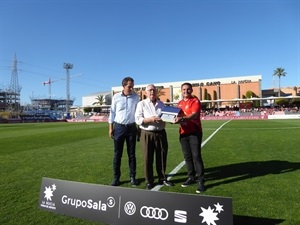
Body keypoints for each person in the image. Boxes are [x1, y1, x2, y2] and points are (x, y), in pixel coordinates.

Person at [135, 84, 174, 190]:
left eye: (154, 90)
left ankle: (162, 178)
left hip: (161, 133)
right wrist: (151, 119)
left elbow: (166, 116)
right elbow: (138, 119)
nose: (152, 92)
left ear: (156, 92)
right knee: (148, 158)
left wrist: (170, 119)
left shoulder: (161, 104)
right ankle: (149, 181)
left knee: (161, 157)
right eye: (150, 90)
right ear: (146, 92)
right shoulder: (141, 104)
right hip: (147, 133)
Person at [108, 77, 139, 187]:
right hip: (119, 128)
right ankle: (116, 178)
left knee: (132, 155)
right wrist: (110, 128)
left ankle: (132, 177)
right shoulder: (116, 97)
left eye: (132, 86)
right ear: (123, 86)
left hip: (131, 128)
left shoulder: (136, 97)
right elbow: (112, 113)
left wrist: (138, 128)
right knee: (117, 154)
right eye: (129, 86)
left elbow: (138, 113)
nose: (131, 88)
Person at [174, 82, 205, 193]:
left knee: (196, 156)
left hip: (194, 132)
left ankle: (201, 181)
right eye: (184, 89)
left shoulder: (195, 101)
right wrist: (172, 119)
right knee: (187, 157)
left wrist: (181, 119)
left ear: (191, 90)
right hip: (183, 133)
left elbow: (194, 115)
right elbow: (177, 116)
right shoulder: (180, 103)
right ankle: (191, 177)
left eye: (188, 89)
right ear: (181, 91)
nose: (186, 91)